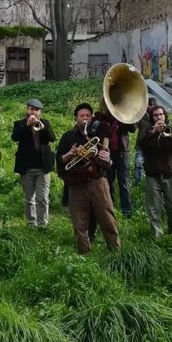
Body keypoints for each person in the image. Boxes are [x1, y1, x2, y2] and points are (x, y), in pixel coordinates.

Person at [57, 103, 120, 254]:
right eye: (81, 116)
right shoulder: (68, 137)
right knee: (79, 222)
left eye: (87, 115)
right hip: (76, 185)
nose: (84, 118)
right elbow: (60, 160)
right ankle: (84, 253)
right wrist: (71, 154)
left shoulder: (100, 134)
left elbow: (108, 162)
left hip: (97, 182)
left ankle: (116, 250)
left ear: (91, 117)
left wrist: (106, 158)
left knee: (107, 218)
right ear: (76, 119)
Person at [136, 105, 172, 237]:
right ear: (151, 118)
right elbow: (141, 145)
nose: (159, 117)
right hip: (152, 175)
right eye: (156, 115)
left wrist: (169, 136)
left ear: (165, 115)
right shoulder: (147, 131)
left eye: (161, 114)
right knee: (154, 209)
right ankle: (156, 236)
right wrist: (153, 133)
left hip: (171, 174)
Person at [11, 98, 56, 228]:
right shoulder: (19, 124)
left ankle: (43, 224)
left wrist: (42, 128)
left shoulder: (45, 123)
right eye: (31, 109)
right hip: (26, 167)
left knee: (42, 198)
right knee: (29, 199)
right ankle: (31, 223)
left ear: (40, 112)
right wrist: (27, 126)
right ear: (27, 110)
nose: (33, 112)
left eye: (36, 110)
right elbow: (15, 137)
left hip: (43, 167)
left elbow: (52, 138)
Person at [94, 101, 136, 218]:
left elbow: (133, 128)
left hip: (123, 152)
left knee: (124, 181)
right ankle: (110, 208)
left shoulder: (123, 116)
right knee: (108, 181)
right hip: (107, 153)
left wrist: (125, 114)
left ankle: (126, 211)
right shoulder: (100, 117)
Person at [134, 97, 158, 184]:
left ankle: (152, 183)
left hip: (153, 144)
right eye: (149, 105)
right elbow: (133, 129)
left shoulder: (157, 115)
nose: (151, 107)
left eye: (153, 105)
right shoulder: (141, 115)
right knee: (138, 164)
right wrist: (135, 116)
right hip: (141, 144)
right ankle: (138, 183)